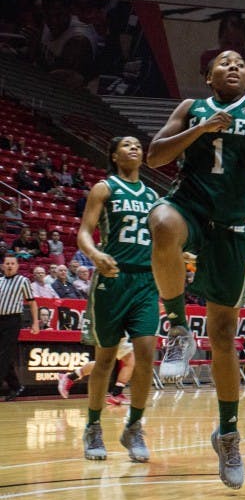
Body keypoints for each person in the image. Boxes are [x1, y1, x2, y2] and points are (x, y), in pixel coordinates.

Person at [146, 53, 245, 489]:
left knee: (224, 338)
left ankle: (227, 433)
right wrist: (200, 129)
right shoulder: (191, 108)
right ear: (208, 76)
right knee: (162, 223)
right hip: (190, 205)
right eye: (223, 63)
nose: (234, 66)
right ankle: (178, 328)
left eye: (239, 62)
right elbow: (154, 157)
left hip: (232, 226)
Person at [75, 136, 159, 462]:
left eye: (138, 145)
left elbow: (162, 239)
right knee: (106, 360)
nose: (134, 148)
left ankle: (133, 426)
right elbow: (84, 232)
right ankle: (93, 427)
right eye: (126, 145)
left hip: (145, 281)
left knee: (146, 355)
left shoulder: (153, 196)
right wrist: (96, 254)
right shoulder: (104, 188)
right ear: (114, 155)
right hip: (112, 279)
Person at [0, 252, 39, 400]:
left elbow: (32, 302)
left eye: (12, 263)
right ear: (3, 266)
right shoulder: (0, 281)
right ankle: (16, 387)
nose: (9, 266)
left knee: (3, 354)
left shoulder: (23, 281)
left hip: (12, 321)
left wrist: (35, 323)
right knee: (6, 356)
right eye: (7, 263)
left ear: (17, 266)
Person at [57, 338, 136, 405]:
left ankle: (70, 377)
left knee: (104, 363)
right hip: (114, 329)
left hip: (114, 330)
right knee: (128, 361)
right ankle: (116, 394)